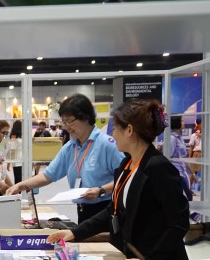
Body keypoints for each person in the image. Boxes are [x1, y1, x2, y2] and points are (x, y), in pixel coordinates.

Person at [48, 99, 191, 260]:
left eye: (115, 129)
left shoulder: (158, 167)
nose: (112, 135)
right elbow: (113, 211)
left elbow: (179, 222)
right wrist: (75, 232)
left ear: (129, 130)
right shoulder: (127, 164)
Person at [7, 94, 125, 223]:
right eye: (64, 122)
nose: (66, 126)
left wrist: (101, 190)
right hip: (83, 210)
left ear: (86, 117)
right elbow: (47, 176)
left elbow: (125, 178)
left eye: (69, 121)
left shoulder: (107, 144)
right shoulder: (70, 147)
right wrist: (19, 186)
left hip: (107, 209)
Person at [166, 115, 193, 201]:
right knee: (188, 196)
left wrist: (193, 173)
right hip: (176, 173)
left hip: (182, 172)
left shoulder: (180, 138)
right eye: (181, 121)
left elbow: (183, 157)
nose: (183, 122)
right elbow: (168, 156)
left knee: (187, 196)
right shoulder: (172, 138)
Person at [9, 119, 23, 183]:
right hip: (25, 160)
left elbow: (12, 150)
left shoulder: (13, 138)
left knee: (18, 180)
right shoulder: (25, 137)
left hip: (17, 161)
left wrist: (9, 163)